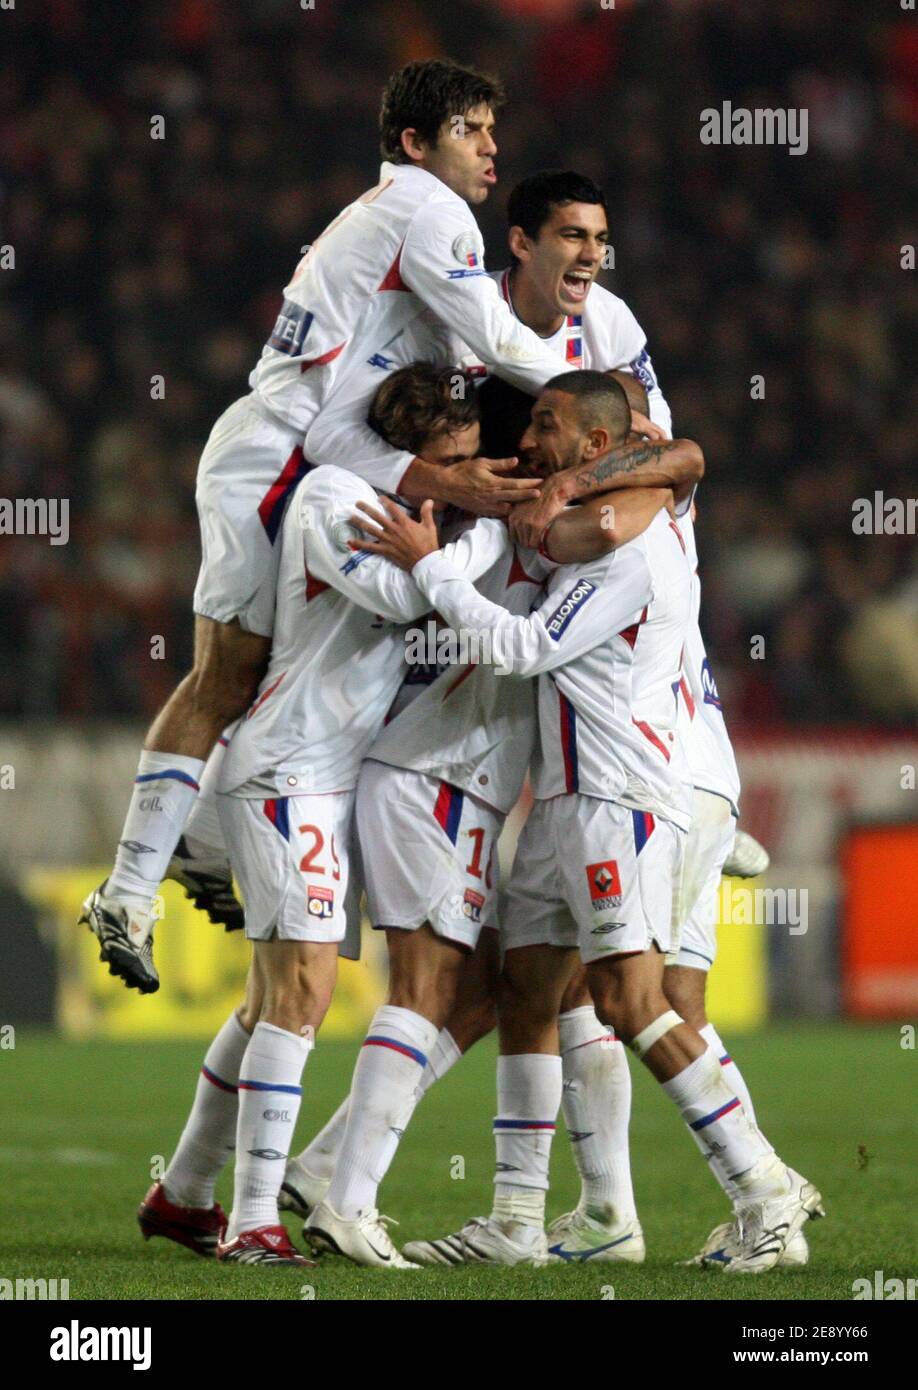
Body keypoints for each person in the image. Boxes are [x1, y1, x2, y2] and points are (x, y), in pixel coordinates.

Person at [79, 57, 586, 994]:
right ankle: (130, 888)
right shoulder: (428, 213)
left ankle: (194, 845)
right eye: (471, 129)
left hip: (291, 448)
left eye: (490, 129)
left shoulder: (384, 219)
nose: (491, 147)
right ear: (414, 143)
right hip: (275, 457)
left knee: (277, 673)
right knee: (228, 674)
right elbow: (501, 345)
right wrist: (599, 385)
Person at [354, 371, 824, 1275]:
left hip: (619, 799)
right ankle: (519, 1218)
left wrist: (429, 571)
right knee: (526, 984)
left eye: (547, 424)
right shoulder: (616, 519)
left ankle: (763, 1185)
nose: (531, 438)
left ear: (598, 447)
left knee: (630, 1000)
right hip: (569, 799)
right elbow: (663, 467)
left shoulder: (628, 552)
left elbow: (526, 648)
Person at [137, 368, 507, 1267]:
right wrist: (479, 537)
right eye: (449, 466)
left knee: (269, 996)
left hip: (326, 779)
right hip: (284, 771)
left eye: (472, 464)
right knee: (304, 995)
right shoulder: (331, 497)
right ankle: (259, 1220)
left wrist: (448, 543)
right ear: (405, 460)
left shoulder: (421, 521)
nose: (462, 486)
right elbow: (404, 597)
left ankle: (185, 1193)